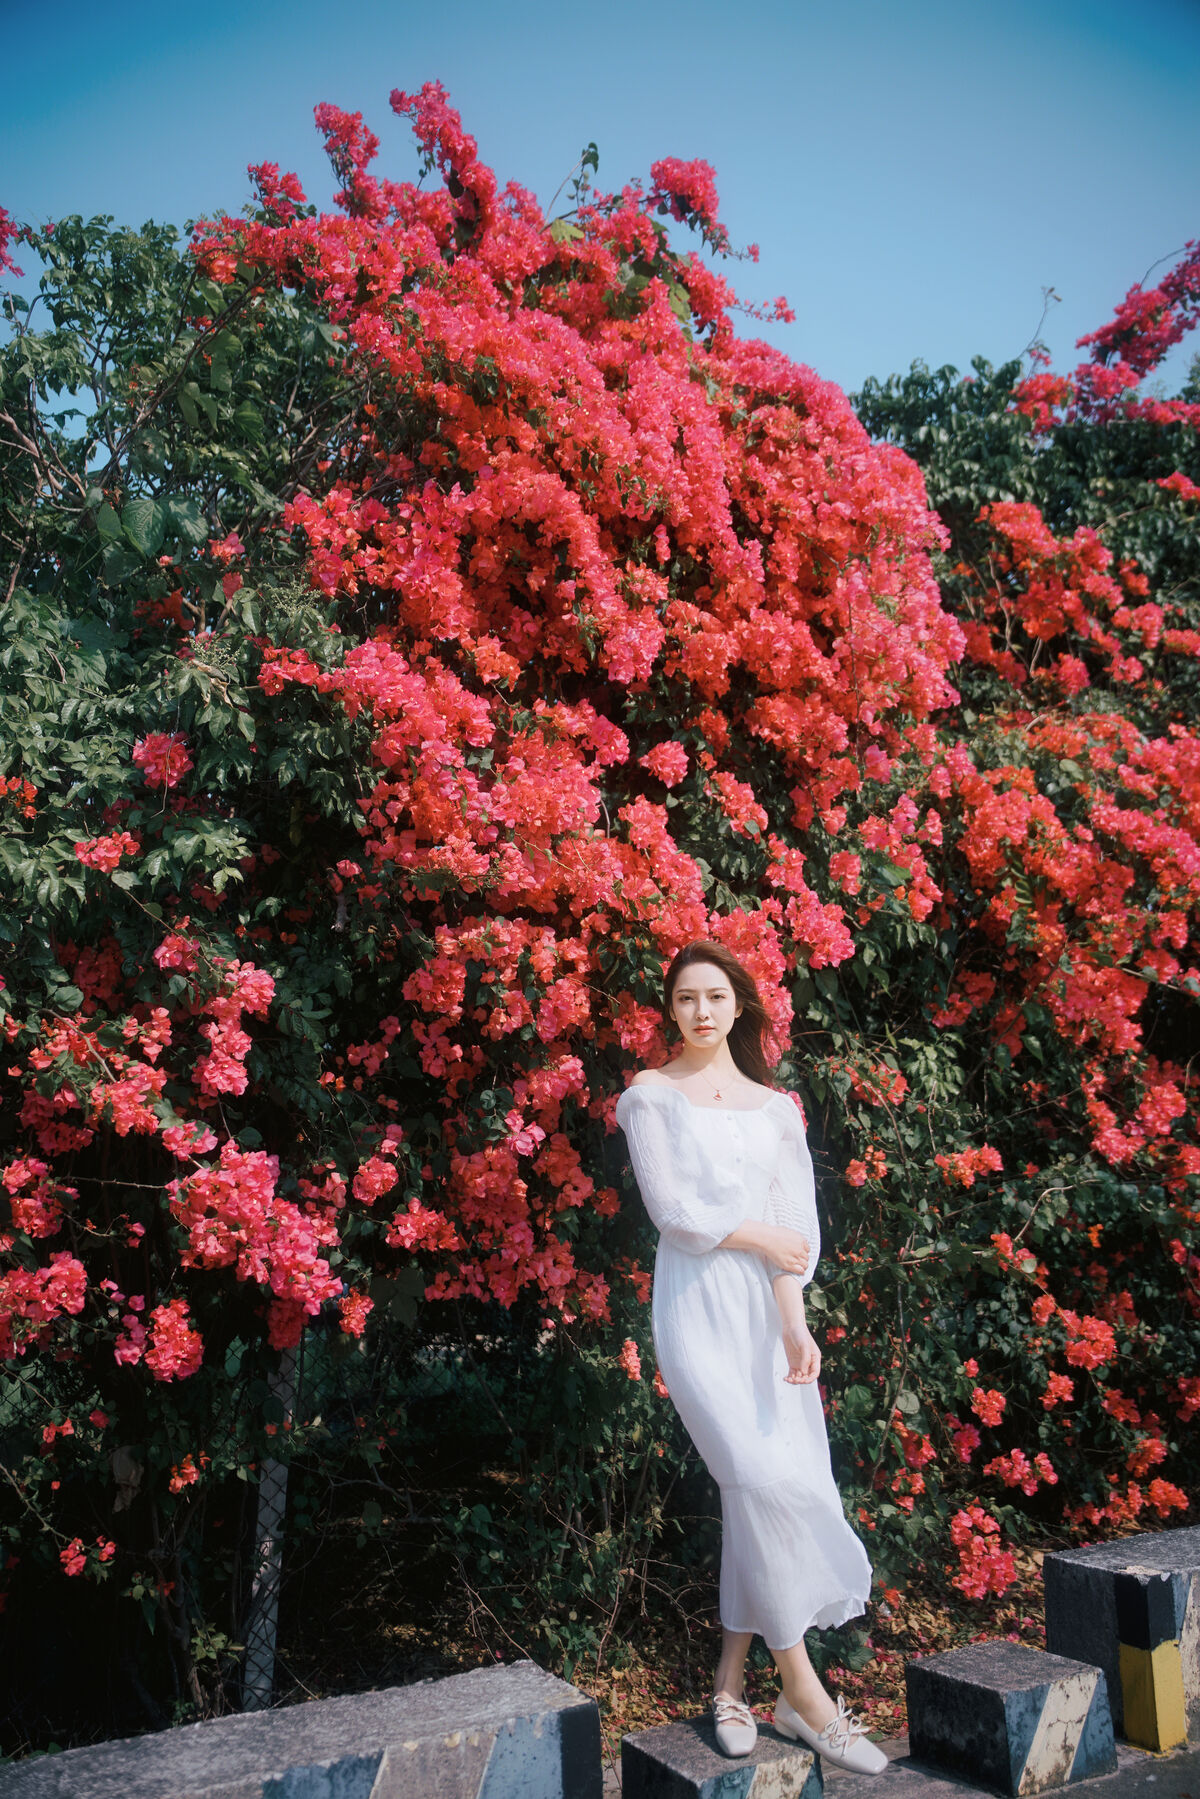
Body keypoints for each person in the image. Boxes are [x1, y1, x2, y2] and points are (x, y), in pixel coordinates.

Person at [613, 939, 888, 1775]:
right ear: (671, 1008)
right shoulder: (651, 1095)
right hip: (696, 1308)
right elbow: (674, 1212)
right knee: (760, 1476)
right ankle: (804, 1693)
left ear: (739, 1004)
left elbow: (792, 1225)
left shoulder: (776, 1110)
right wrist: (761, 1237)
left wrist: (795, 1324)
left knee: (757, 1490)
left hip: (767, 1318)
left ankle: (731, 1683)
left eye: (715, 996)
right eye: (686, 997)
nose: (701, 1011)